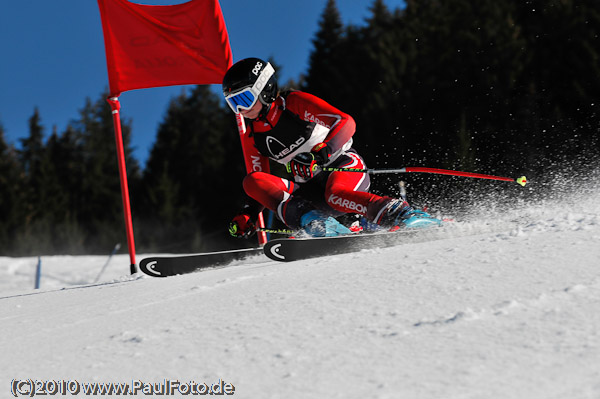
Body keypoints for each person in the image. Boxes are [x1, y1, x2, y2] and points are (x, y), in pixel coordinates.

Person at [223, 57, 440, 238]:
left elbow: (346, 122)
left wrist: (319, 154)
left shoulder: (293, 104)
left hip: (341, 165)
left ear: (265, 89)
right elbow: (262, 183)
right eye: (234, 103)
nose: (241, 109)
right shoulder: (253, 136)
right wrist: (249, 213)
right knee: (252, 181)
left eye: (245, 98)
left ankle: (402, 214)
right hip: (309, 190)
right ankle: (317, 224)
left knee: (335, 193)